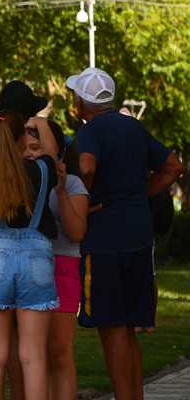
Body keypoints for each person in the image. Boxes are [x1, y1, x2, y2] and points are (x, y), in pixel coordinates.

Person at [68, 67, 183, 400]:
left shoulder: (89, 131)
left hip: (105, 238)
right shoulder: (133, 127)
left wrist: (83, 198)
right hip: (139, 235)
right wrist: (139, 194)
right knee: (129, 329)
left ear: (81, 102)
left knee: (112, 328)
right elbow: (173, 166)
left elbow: (86, 166)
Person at [0, 108, 59, 400]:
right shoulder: (42, 171)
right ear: (22, 138)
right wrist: (40, 122)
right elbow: (53, 152)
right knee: (34, 357)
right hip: (36, 259)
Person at [23, 117, 89, 400]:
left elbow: (76, 232)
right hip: (28, 269)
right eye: (24, 148)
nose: (29, 154)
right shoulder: (19, 181)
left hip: (62, 267)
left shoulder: (73, 184)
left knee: (59, 352)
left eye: (35, 148)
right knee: (33, 354)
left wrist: (60, 190)